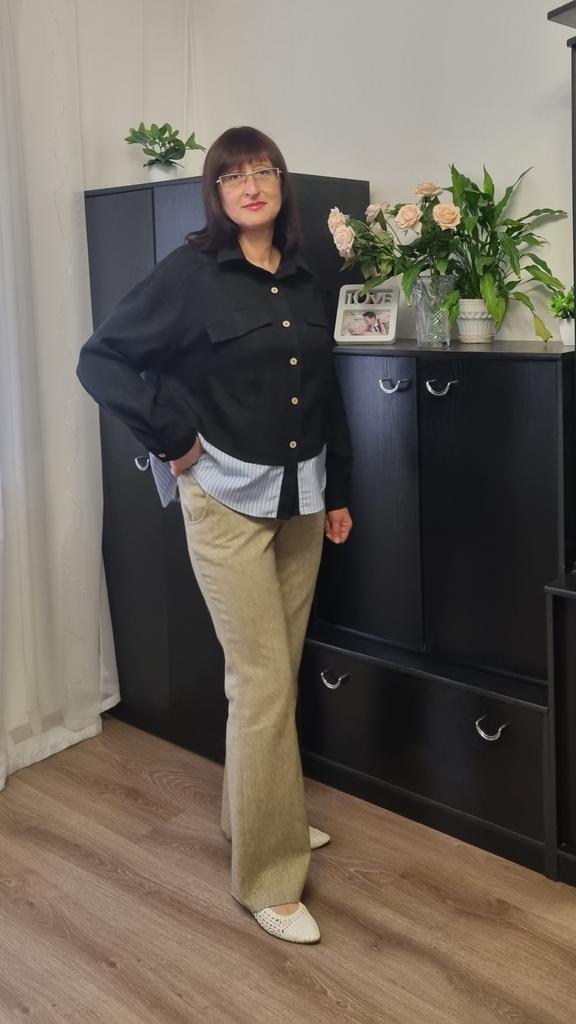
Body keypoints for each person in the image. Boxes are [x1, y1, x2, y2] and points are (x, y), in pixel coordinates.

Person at [76, 126, 353, 945]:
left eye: (263, 170)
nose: (251, 184)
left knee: (272, 678)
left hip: (303, 499)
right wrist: (172, 439)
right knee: (262, 683)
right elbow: (102, 359)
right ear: (216, 193)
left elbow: (326, 391)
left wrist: (337, 492)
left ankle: (256, 815)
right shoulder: (190, 274)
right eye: (233, 175)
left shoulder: (305, 276)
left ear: (281, 184)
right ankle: (268, 876)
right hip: (227, 503)